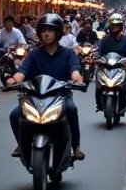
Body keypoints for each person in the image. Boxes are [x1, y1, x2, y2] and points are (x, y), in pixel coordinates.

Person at [6, 13, 85, 160]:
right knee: (15, 115)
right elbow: (22, 72)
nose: (46, 34)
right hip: (34, 96)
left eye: (50, 30)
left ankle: (76, 146)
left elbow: (74, 69)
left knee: (72, 109)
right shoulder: (34, 54)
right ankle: (21, 144)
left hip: (61, 96)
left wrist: (76, 77)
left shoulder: (68, 54)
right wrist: (13, 80)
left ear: (58, 32)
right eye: (43, 31)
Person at [96, 14, 126, 124]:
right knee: (98, 83)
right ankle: (99, 104)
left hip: (123, 67)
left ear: (121, 26)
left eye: (117, 25)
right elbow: (99, 52)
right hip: (106, 67)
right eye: (113, 25)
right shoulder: (105, 39)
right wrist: (96, 58)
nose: (114, 27)